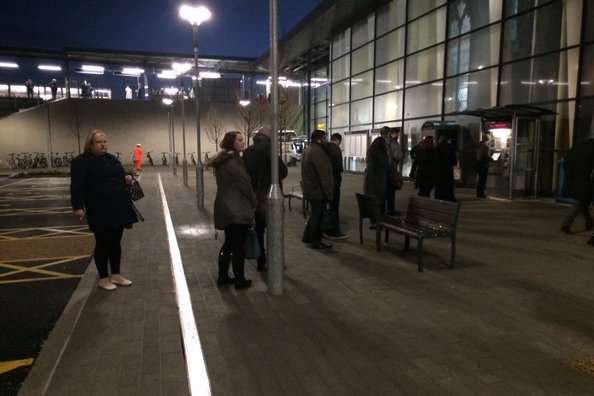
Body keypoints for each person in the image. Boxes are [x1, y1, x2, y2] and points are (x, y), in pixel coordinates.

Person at [70, 130, 137, 291]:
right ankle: (103, 278)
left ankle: (116, 274)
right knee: (102, 243)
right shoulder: (81, 162)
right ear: (90, 145)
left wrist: (126, 178)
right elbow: (77, 186)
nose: (103, 145)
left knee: (115, 242)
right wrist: (78, 206)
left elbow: (118, 175)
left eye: (105, 141)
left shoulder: (111, 158)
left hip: (118, 206)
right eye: (99, 142)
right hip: (98, 208)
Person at [207, 131, 256, 289]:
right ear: (232, 143)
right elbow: (245, 186)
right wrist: (254, 202)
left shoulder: (223, 160)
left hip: (224, 206)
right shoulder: (234, 162)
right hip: (236, 209)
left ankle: (223, 277)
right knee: (238, 246)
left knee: (228, 244)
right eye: (240, 140)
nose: (243, 142)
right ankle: (239, 279)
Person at [243, 127, 288, 271]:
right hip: (270, 196)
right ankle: (275, 260)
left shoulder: (247, 152)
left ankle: (260, 260)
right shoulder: (270, 149)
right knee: (275, 229)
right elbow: (283, 171)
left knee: (259, 229)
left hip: (254, 195)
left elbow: (245, 173)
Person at [302, 130, 334, 249]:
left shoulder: (309, 149)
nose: (326, 140)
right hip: (318, 191)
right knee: (318, 216)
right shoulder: (318, 152)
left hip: (311, 189)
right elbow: (324, 175)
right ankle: (316, 241)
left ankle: (308, 237)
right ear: (319, 139)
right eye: (325, 137)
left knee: (315, 214)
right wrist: (329, 192)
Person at [561, 136, 594, 234]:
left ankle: (589, 222)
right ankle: (566, 224)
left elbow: (566, 159)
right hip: (585, 178)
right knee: (581, 201)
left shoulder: (580, 146)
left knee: (583, 201)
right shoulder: (591, 150)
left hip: (574, 177)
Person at [324, 133, 348, 240]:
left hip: (325, 183)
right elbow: (338, 168)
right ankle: (334, 231)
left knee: (327, 207)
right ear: (338, 140)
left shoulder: (324, 148)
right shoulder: (336, 150)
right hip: (334, 182)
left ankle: (325, 228)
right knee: (334, 207)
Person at [364, 127, 391, 217]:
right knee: (379, 198)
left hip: (371, 177)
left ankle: (374, 220)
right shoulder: (380, 147)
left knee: (373, 197)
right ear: (387, 134)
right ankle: (378, 220)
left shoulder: (373, 146)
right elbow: (384, 163)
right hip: (378, 178)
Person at [434, 135, 457, 202]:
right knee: (449, 184)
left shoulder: (438, 147)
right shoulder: (451, 147)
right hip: (449, 169)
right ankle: (450, 197)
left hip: (440, 169)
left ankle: (439, 196)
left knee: (439, 184)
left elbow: (436, 159)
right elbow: (454, 160)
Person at [386, 127, 403, 215]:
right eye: (397, 133)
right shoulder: (391, 143)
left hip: (391, 169)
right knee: (390, 190)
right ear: (393, 133)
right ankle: (390, 210)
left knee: (390, 190)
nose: (398, 135)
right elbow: (394, 156)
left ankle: (390, 209)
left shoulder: (392, 142)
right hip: (391, 169)